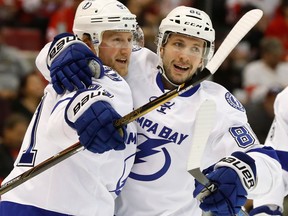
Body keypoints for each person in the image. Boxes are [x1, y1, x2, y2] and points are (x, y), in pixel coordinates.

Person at [31, 3, 282, 216]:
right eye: (178, 44)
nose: (185, 56)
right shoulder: (133, 63)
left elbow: (266, 162)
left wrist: (241, 171)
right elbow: (60, 64)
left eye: (196, 48)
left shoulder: (219, 105)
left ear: (206, 56)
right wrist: (63, 49)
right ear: (161, 45)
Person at [0, 0, 138, 215]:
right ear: (88, 42)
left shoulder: (68, 68)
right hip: (52, 207)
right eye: (116, 39)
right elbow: (65, 117)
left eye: (129, 39)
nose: (126, 49)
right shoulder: (96, 76)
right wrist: (85, 114)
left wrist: (60, 46)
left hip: (30, 200)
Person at [0, 114, 29, 184]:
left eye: (25, 135)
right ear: (7, 131)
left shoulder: (27, 150)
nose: (22, 139)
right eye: (19, 134)